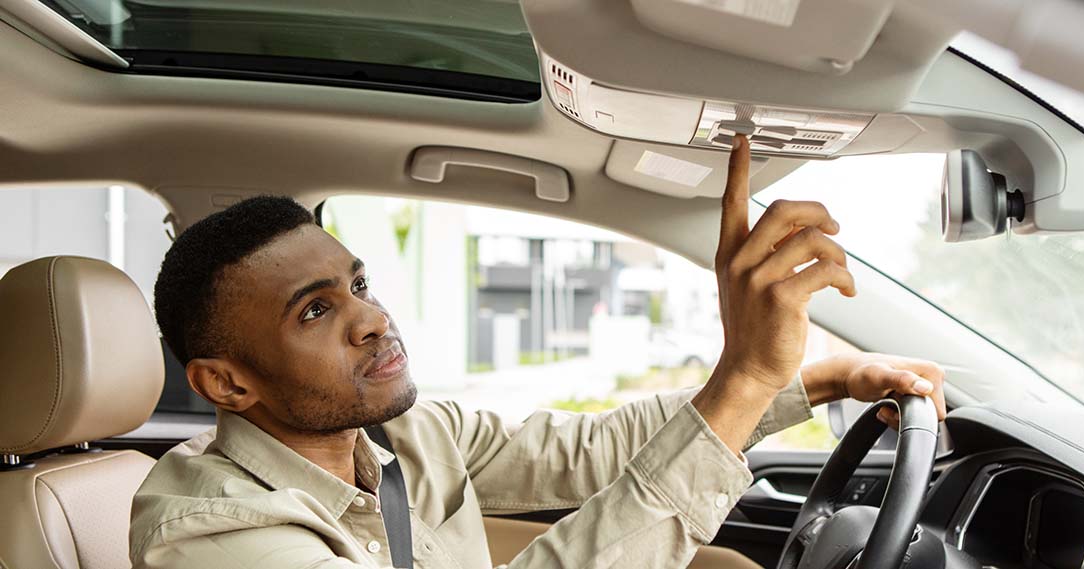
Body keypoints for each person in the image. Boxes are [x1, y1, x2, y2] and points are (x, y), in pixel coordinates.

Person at [129, 135, 946, 568]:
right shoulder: (207, 533)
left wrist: (815, 380)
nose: (371, 318)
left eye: (358, 283)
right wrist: (744, 376)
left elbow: (598, 450)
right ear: (226, 382)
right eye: (315, 309)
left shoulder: (402, 439)